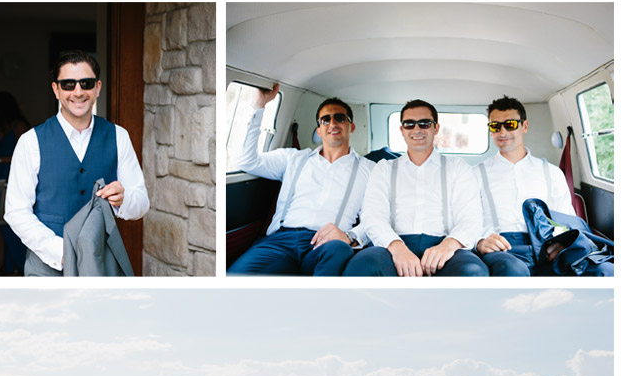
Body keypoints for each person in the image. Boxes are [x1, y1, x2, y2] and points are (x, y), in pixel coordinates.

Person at [4, 41, 148, 277]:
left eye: (86, 83)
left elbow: (141, 202)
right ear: (56, 89)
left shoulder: (118, 136)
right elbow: (16, 211)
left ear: (98, 87)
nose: (78, 92)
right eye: (68, 84)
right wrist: (60, 251)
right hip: (47, 267)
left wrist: (124, 199)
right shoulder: (30, 141)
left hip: (101, 264)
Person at [230, 87, 368, 276]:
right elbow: (246, 161)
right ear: (319, 130)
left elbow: (379, 218)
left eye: (340, 118)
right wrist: (259, 106)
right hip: (281, 241)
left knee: (339, 250)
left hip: (329, 245)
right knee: (235, 278)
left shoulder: (370, 169)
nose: (332, 123)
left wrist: (350, 237)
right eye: (325, 120)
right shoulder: (292, 158)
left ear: (351, 126)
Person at [343, 98, 488, 277]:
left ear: (436, 128)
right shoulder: (384, 168)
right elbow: (373, 215)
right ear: (402, 130)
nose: (417, 129)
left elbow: (470, 218)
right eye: (409, 124)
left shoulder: (458, 167)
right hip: (392, 244)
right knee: (361, 266)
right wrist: (397, 248)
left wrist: (448, 246)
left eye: (424, 123)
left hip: (446, 245)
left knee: (473, 272)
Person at [475, 96, 579, 279]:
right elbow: (466, 218)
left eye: (510, 125)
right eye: (495, 126)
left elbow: (566, 217)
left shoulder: (552, 172)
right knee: (513, 271)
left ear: (525, 126)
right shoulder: (476, 173)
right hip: (501, 247)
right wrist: (481, 240)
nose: (502, 132)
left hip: (546, 245)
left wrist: (563, 243)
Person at [0, 93, 28, 277]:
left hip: (11, 179)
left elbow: (27, 154)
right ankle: (0, 265)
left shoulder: (19, 126)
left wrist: (0, 160)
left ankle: (16, 265)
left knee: (10, 222)